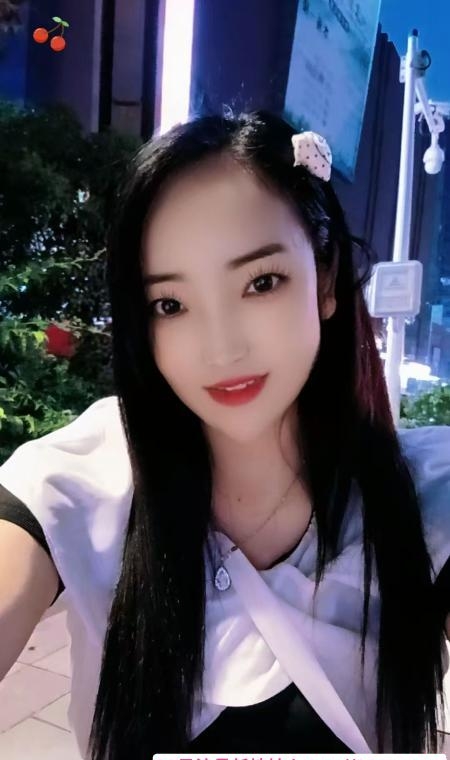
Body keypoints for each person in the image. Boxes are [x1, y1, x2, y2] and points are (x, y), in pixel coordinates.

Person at [0, 109, 449, 759]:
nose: (221, 349)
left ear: (324, 280)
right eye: (170, 304)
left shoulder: (420, 495)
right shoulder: (91, 476)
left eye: (260, 282)